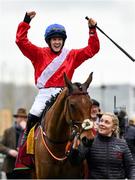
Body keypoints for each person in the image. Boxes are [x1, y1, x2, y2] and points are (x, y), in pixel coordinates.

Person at [15, 11, 100, 145]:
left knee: (78, 114)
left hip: (65, 93)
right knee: (35, 112)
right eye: (54, 39)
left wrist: (92, 30)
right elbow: (20, 41)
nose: (57, 42)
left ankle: (82, 148)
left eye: (59, 39)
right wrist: (26, 21)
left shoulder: (72, 55)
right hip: (45, 94)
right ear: (49, 41)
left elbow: (92, 49)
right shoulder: (38, 53)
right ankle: (25, 143)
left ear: (63, 40)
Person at [69, 112, 135, 179]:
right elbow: (74, 162)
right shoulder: (90, 141)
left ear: (113, 128)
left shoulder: (122, 143)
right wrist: (74, 148)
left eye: (106, 122)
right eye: (101, 121)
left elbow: (130, 166)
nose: (102, 124)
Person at [0, 108, 28, 179]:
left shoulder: (30, 132)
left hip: (25, 167)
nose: (22, 119)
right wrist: (9, 151)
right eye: (20, 117)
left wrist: (26, 130)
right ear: (16, 118)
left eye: (24, 117)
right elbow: (0, 146)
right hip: (10, 167)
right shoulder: (8, 131)